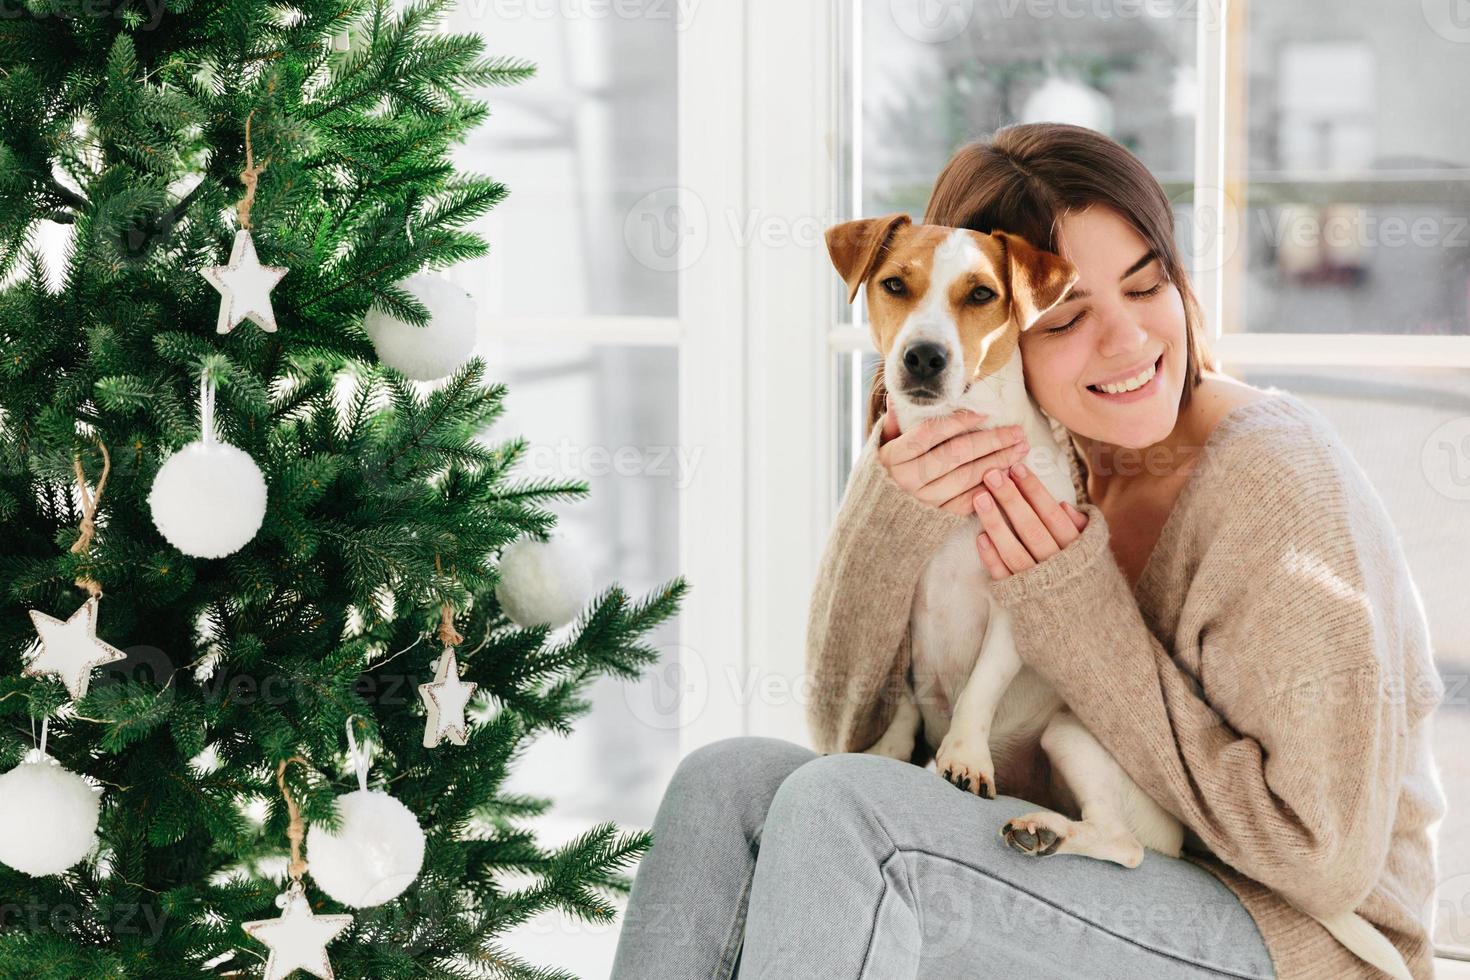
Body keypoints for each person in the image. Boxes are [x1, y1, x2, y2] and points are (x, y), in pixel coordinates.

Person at [608, 122, 1445, 979]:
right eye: (1070, 316)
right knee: (728, 784)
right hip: (1072, 876)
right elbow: (850, 735)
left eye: (1148, 285)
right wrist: (889, 509)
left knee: (846, 810)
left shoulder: (1275, 481)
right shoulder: (1005, 454)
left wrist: (1077, 613)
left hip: (1299, 941)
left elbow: (1323, 857)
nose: (1127, 342)